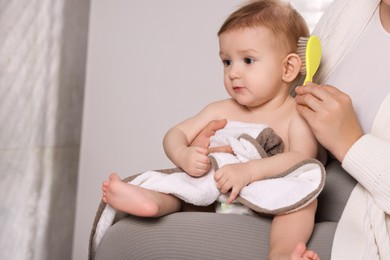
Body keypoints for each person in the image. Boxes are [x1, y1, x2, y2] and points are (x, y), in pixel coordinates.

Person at [101, 1, 321, 259]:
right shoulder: (221, 109)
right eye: (227, 62)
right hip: (213, 193)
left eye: (247, 60)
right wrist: (183, 154)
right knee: (183, 188)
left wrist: (249, 171)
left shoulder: (295, 114)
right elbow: (175, 133)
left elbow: (303, 159)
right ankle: (151, 202)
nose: (233, 73)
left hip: (265, 198)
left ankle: (283, 252)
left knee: (302, 200)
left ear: (288, 68)